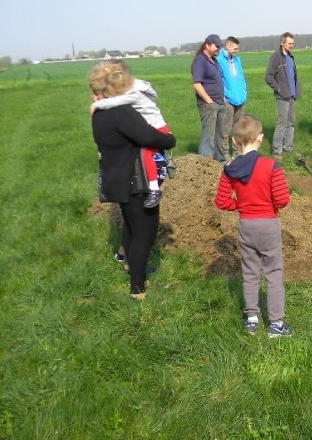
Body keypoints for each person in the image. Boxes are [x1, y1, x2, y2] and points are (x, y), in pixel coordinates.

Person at [89, 61, 176, 300]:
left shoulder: (99, 113)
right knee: (145, 234)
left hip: (117, 178)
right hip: (136, 180)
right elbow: (151, 137)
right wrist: (170, 139)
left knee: (130, 225)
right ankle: (138, 288)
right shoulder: (123, 113)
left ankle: (131, 267)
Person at [214, 115, 293, 337]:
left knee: (249, 272)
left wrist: (241, 205)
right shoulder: (271, 166)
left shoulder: (229, 169)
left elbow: (221, 201)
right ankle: (276, 324)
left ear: (233, 141)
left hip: (246, 225)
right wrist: (269, 206)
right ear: (260, 138)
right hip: (268, 224)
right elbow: (282, 199)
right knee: (274, 273)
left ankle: (251, 319)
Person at [91, 64, 172, 208]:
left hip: (157, 127)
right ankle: (154, 185)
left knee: (145, 154)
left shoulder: (130, 95)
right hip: (153, 128)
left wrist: (98, 105)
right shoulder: (128, 98)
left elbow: (117, 101)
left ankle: (154, 189)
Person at [264, 32, 301, 156]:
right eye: (290, 43)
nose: (292, 45)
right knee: (282, 123)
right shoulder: (276, 57)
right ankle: (277, 150)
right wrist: (278, 89)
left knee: (291, 122)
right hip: (282, 96)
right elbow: (268, 76)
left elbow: (294, 76)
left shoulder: (291, 57)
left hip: (292, 95)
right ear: (282, 43)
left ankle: (288, 147)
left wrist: (296, 91)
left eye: (293, 43)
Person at [192, 34, 226, 161]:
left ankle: (220, 162)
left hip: (220, 102)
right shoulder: (200, 61)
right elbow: (197, 84)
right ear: (207, 45)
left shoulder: (214, 61)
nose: (219, 49)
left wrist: (222, 98)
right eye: (216, 46)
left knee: (219, 135)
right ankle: (205, 163)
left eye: (219, 47)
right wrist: (209, 101)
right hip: (209, 104)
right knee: (209, 135)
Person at [216, 36, 248, 160]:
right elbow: (218, 80)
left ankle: (237, 153)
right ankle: (224, 155)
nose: (237, 51)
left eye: (238, 48)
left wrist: (244, 91)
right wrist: (225, 95)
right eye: (235, 48)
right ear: (227, 46)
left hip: (240, 98)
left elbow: (241, 76)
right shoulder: (219, 60)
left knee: (238, 128)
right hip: (228, 100)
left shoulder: (237, 59)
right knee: (225, 129)